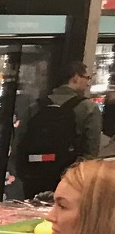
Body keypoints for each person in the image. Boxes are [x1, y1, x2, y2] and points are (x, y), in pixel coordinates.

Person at [11, 59, 101, 199]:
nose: (88, 83)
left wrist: (24, 173)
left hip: (33, 177)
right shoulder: (88, 108)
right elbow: (90, 152)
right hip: (66, 182)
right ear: (75, 77)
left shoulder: (37, 106)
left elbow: (19, 142)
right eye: (87, 78)